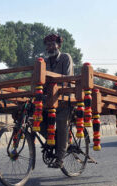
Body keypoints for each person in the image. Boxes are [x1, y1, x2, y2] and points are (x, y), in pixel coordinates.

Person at [41, 34, 73, 168]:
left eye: (52, 44)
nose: (50, 47)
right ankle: (55, 141)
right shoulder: (44, 62)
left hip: (65, 99)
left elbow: (66, 78)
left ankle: (60, 158)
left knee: (61, 121)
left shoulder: (66, 57)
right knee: (36, 120)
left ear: (58, 45)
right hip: (49, 100)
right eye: (48, 45)